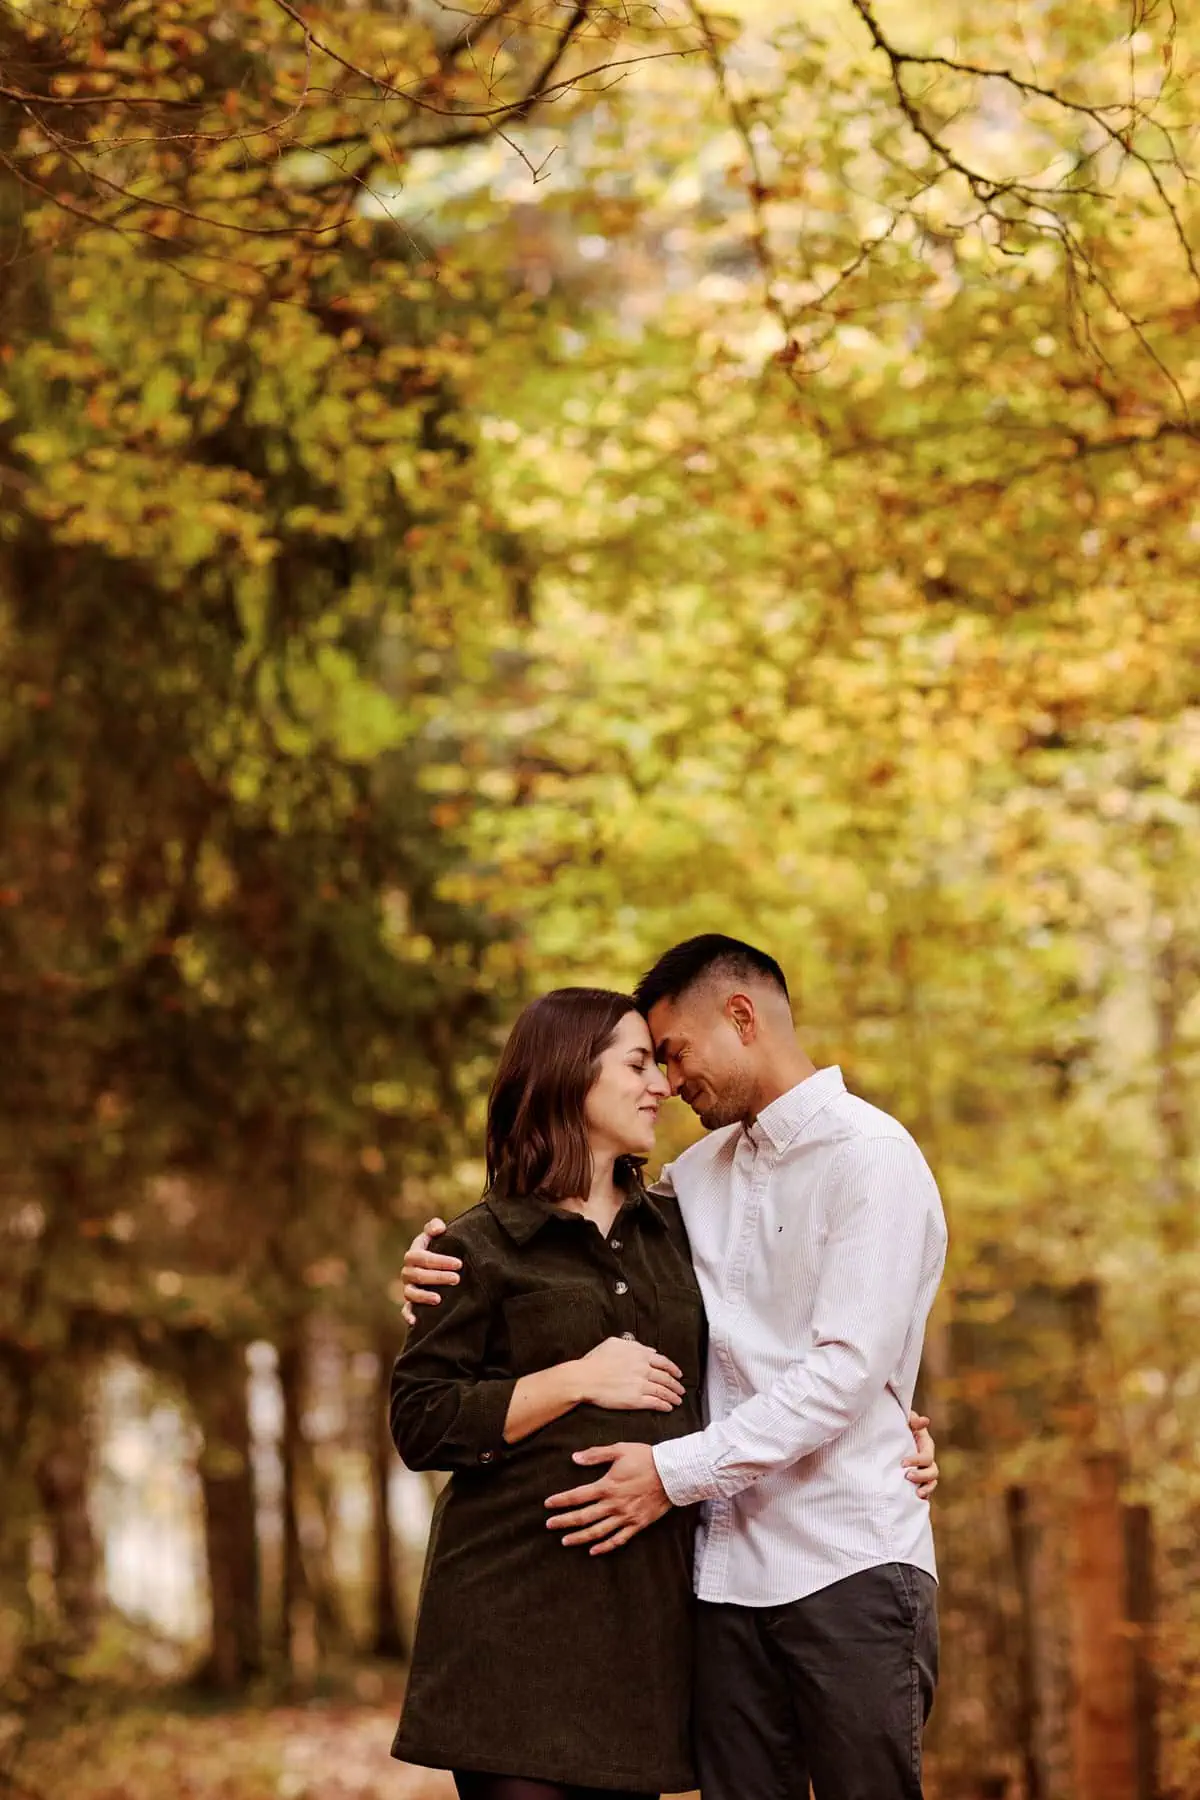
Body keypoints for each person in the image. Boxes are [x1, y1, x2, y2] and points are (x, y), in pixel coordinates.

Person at [402, 936, 947, 1800]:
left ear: (742, 1017)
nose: (667, 1080)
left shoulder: (867, 1156)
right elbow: (559, 1254)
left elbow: (845, 1370)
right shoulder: (697, 1180)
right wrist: (436, 1270)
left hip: (843, 1562)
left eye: (673, 1054)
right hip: (717, 1586)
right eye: (645, 1062)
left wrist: (889, 1426)